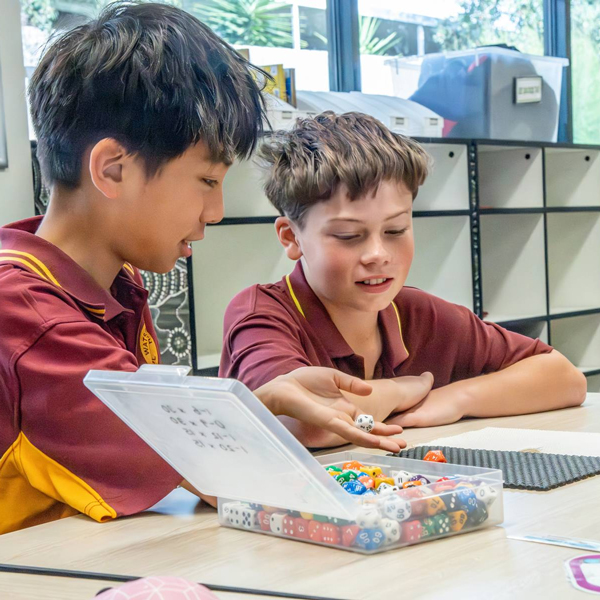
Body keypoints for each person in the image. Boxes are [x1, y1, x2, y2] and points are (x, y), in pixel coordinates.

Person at [0, 4, 401, 535]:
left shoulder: (110, 285)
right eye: (208, 182)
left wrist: (261, 400)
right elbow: (218, 470)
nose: (214, 213)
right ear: (112, 170)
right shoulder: (25, 311)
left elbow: (155, 443)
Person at [220, 111, 587, 448]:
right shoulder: (261, 315)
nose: (378, 254)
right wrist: (400, 390)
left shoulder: (421, 314)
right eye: (349, 236)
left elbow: (564, 378)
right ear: (291, 237)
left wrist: (455, 398)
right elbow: (307, 423)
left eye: (395, 230)